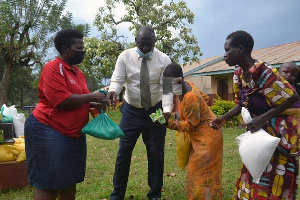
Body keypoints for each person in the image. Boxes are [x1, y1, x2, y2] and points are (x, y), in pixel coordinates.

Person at [210, 30, 300, 199]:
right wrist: (225, 117)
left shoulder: (263, 72)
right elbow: (241, 103)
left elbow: (292, 97)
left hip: (278, 138)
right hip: (258, 137)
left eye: (228, 50)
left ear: (241, 49)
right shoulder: (238, 74)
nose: (225, 55)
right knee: (254, 172)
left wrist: (262, 118)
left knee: (274, 180)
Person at [24, 29, 108, 200]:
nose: (83, 51)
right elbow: (61, 101)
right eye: (79, 48)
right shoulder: (52, 68)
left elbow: (80, 100)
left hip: (73, 133)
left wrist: (95, 102)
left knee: (69, 181)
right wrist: (92, 96)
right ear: (65, 49)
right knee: (49, 184)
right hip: (48, 128)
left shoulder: (78, 73)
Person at [107, 26, 172, 200]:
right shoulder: (125, 56)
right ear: (136, 41)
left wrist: (166, 110)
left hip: (155, 109)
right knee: (123, 153)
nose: (144, 48)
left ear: (155, 42)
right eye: (141, 44)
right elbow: (118, 79)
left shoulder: (164, 59)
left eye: (148, 45)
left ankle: (155, 194)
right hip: (131, 111)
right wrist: (113, 90)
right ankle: (117, 194)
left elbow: (167, 89)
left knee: (156, 153)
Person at [162, 63, 223, 199]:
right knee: (200, 172)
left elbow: (191, 125)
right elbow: (205, 98)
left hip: (208, 138)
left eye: (171, 84)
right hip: (202, 134)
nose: (170, 89)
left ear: (180, 78)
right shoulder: (186, 86)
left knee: (200, 172)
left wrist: (168, 123)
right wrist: (201, 112)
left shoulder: (190, 97)